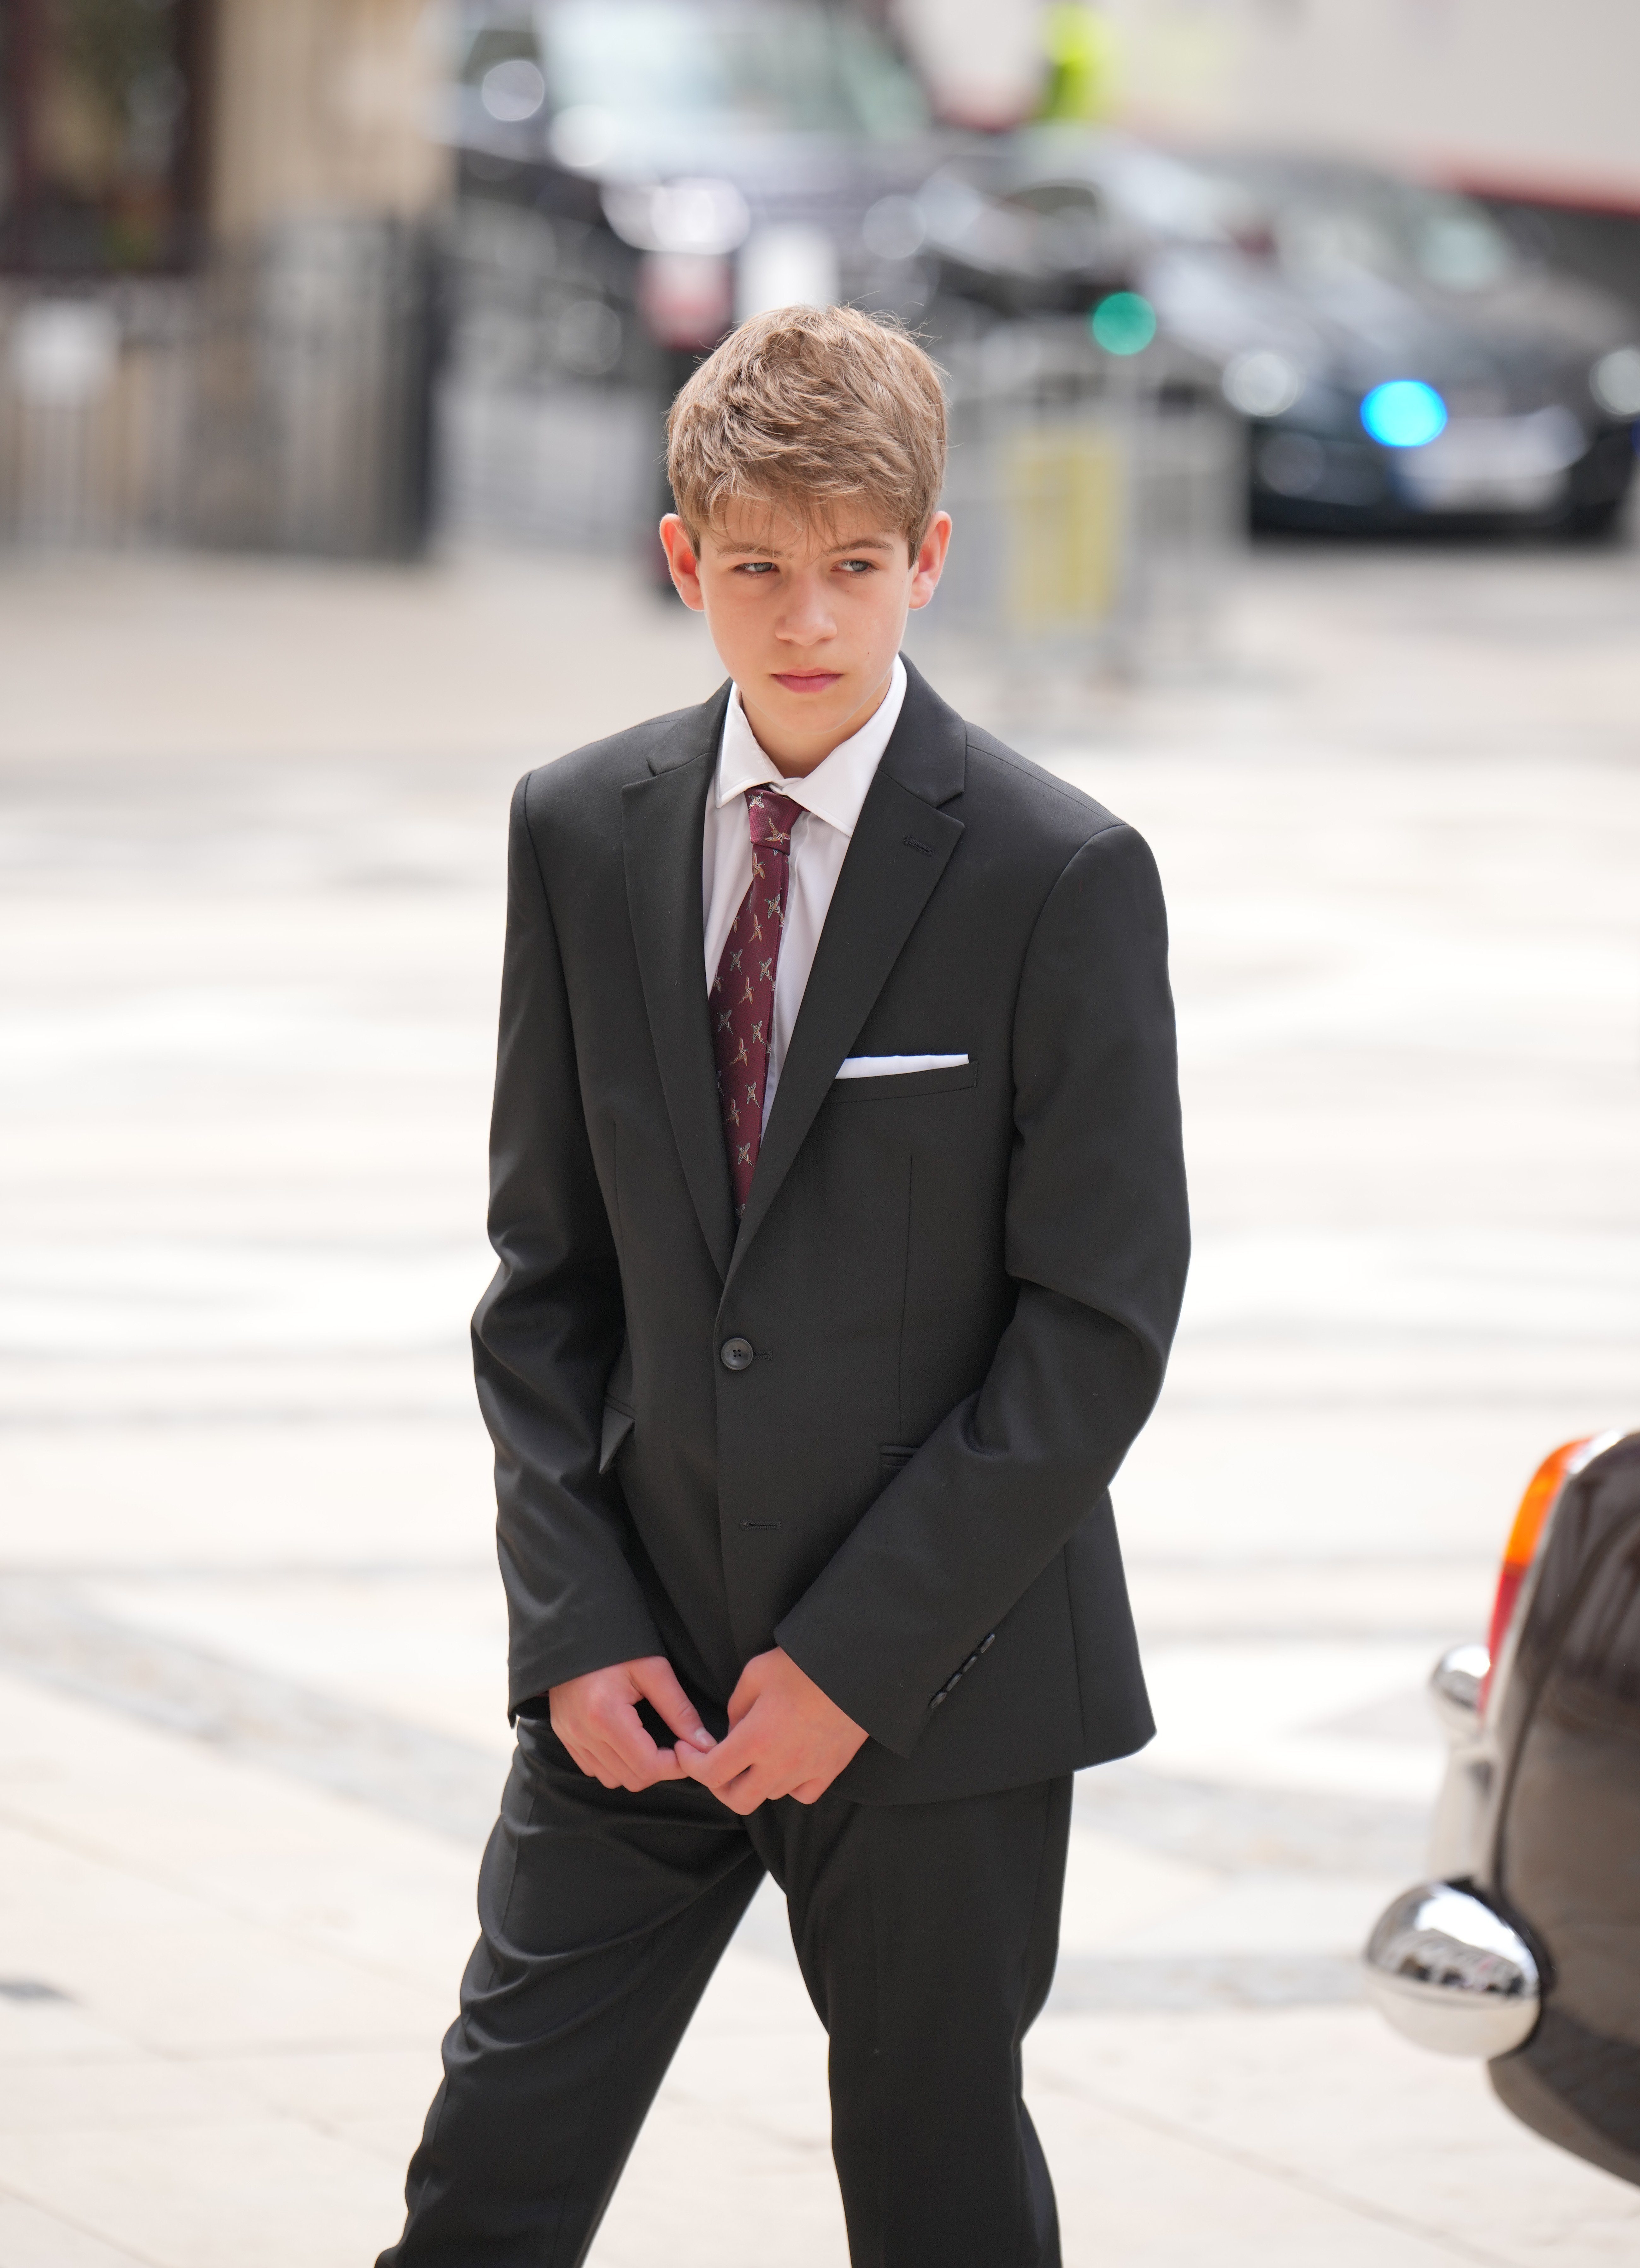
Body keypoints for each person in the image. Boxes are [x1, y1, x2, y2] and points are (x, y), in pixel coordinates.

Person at [377, 304, 1189, 2268]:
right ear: (685, 562)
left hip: (936, 1685)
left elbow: (1095, 1328)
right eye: (756, 568)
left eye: (850, 567)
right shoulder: (580, 829)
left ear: (928, 557)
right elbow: (543, 1275)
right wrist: (574, 1629)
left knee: (938, 2196)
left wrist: (854, 1665)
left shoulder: (1056, 872)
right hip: (634, 1668)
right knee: (487, 2183)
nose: (804, 618)